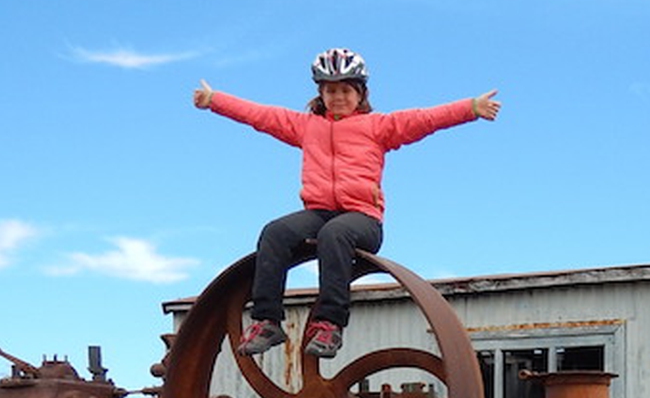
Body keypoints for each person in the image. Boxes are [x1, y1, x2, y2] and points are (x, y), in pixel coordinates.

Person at [193, 48, 500, 358]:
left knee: (335, 234)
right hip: (318, 213)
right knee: (274, 232)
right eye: (330, 90)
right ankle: (267, 320)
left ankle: (330, 324)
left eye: (344, 90)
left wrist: (471, 107)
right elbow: (260, 115)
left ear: (360, 93)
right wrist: (214, 100)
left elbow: (425, 119)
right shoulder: (306, 126)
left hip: (362, 219)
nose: (338, 96)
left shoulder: (378, 127)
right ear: (321, 93)